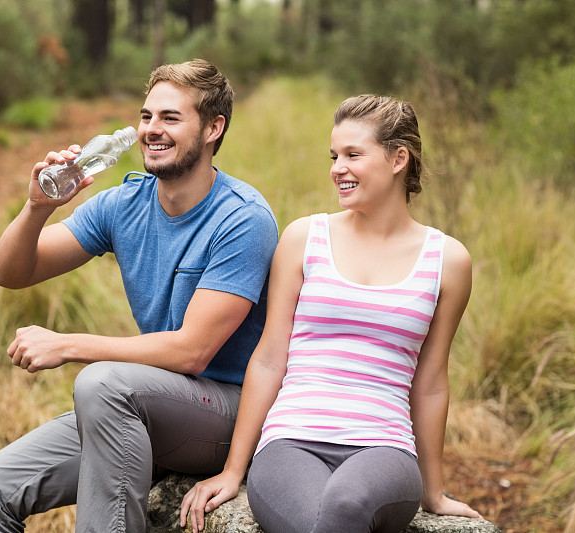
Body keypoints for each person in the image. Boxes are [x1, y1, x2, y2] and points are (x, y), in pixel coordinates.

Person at [0, 59, 279, 533]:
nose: (152, 130)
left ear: (214, 128)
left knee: (101, 383)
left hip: (227, 413)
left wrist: (68, 344)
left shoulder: (242, 219)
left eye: (171, 118)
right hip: (142, 404)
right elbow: (11, 273)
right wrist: (36, 208)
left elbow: (193, 351)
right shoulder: (122, 204)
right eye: (147, 116)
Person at [179, 94, 483, 533]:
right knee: (321, 518)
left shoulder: (447, 260)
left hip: (385, 450)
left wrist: (434, 493)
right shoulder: (304, 238)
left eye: (353, 155)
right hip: (290, 444)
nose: (337, 168)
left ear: (399, 158)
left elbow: (432, 381)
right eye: (334, 155)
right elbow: (269, 358)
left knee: (344, 505)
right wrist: (232, 471)